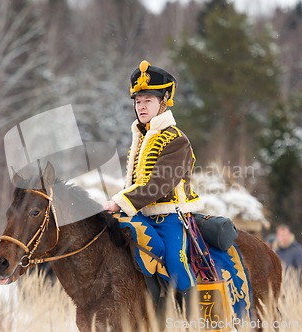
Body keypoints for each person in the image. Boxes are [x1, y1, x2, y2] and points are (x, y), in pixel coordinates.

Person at [103, 60, 204, 309]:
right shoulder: (140, 139)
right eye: (138, 101)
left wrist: (119, 202)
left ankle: (197, 317)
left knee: (175, 261)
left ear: (164, 102)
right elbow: (134, 183)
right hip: (140, 215)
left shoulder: (176, 140)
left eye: (148, 100)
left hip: (170, 217)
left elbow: (159, 184)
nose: (141, 106)